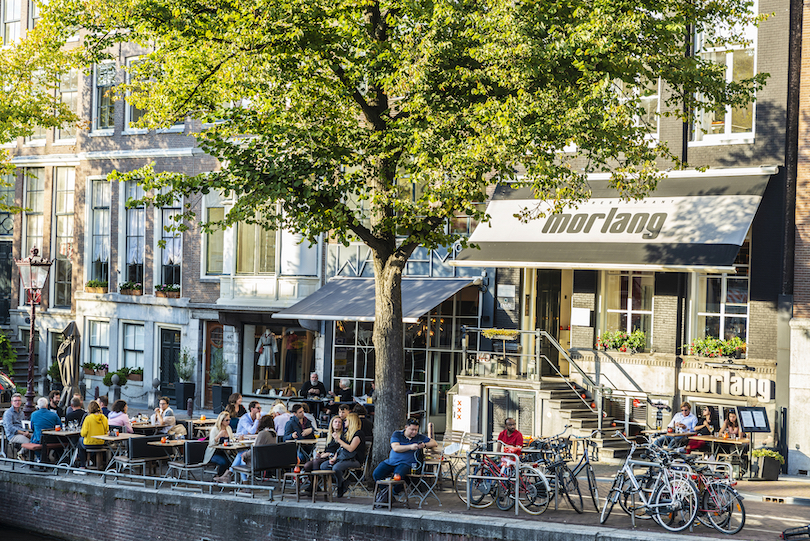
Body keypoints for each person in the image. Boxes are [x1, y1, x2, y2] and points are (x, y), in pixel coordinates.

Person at [372, 418, 437, 502]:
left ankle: (392, 494)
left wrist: (424, 445)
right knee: (377, 473)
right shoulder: (397, 434)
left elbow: (434, 443)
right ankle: (388, 494)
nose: (414, 432)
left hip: (407, 463)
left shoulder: (419, 437)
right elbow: (395, 448)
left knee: (398, 475)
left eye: (416, 430)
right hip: (391, 461)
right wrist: (410, 447)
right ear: (406, 427)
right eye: (412, 429)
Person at [323, 412, 366, 498]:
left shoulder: (358, 434)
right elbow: (340, 448)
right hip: (344, 458)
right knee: (324, 466)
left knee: (336, 468)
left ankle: (340, 485)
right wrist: (334, 458)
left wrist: (338, 440)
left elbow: (350, 448)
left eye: (346, 420)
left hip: (355, 460)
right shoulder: (347, 433)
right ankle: (341, 481)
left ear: (351, 421)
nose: (344, 422)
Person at [230, 414, 277, 482]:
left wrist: (245, 455)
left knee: (241, 457)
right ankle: (229, 474)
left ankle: (244, 483)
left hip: (259, 462)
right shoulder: (273, 434)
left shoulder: (263, 434)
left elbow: (255, 450)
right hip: (268, 461)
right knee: (241, 455)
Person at [206, 411, 235, 483]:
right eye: (226, 420)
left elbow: (232, 439)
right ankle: (219, 478)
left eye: (229, 420)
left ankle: (224, 478)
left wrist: (235, 440)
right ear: (221, 421)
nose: (228, 422)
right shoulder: (215, 429)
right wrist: (218, 436)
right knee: (224, 462)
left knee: (232, 462)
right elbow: (211, 444)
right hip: (214, 453)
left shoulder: (228, 428)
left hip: (225, 452)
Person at [78, 400, 108, 469]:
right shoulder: (104, 418)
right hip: (101, 443)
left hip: (89, 443)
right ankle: (94, 461)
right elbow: (106, 431)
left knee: (80, 442)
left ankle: (82, 465)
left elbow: (83, 433)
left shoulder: (88, 418)